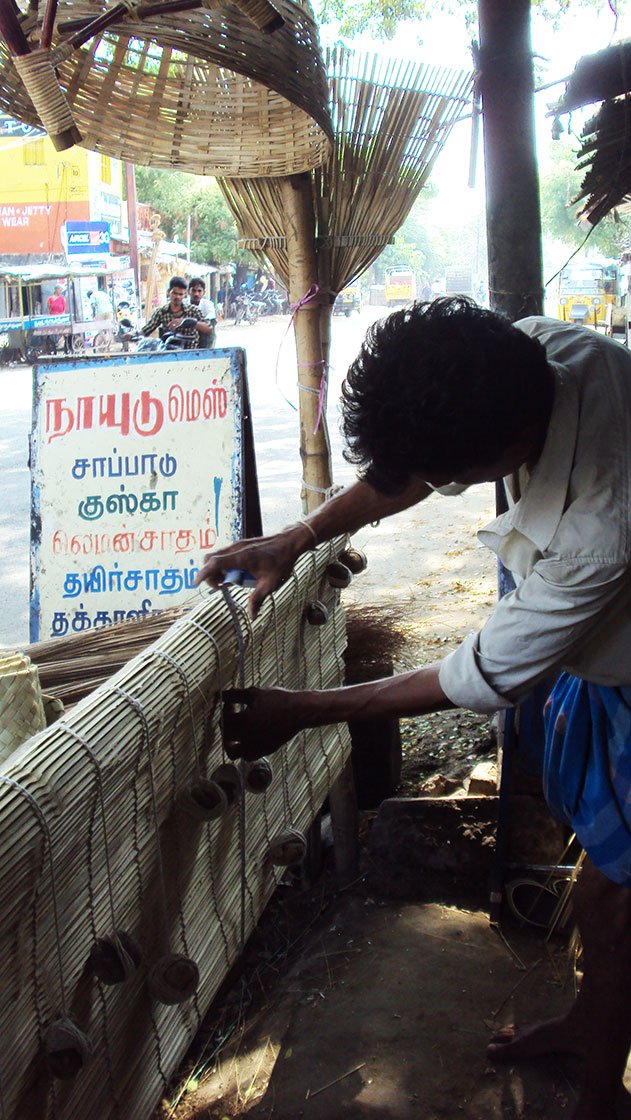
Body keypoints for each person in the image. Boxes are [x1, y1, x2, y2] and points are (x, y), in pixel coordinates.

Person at [197, 297, 631, 1120]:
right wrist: (299, 536)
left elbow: (482, 674)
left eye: (444, 478)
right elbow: (408, 471)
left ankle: (605, 1086)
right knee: (604, 872)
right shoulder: (532, 352)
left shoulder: (601, 528)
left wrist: (304, 708)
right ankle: (594, 1016)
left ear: (499, 454)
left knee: (615, 902)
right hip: (604, 660)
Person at [140, 276, 213, 349]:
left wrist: (187, 322)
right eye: (174, 293)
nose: (177, 297)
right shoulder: (161, 312)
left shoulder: (194, 311)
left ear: (185, 295)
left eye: (180, 294)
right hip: (170, 355)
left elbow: (208, 328)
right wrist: (132, 335)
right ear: (169, 292)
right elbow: (146, 329)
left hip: (192, 355)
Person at [187, 278, 217, 347]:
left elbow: (210, 319)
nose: (196, 294)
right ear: (188, 291)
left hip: (203, 334)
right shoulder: (184, 303)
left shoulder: (208, 304)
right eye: (193, 290)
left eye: (199, 291)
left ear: (204, 292)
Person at [46, 284, 70, 353]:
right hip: (53, 318)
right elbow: (49, 309)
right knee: (52, 332)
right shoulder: (50, 299)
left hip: (61, 318)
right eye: (59, 290)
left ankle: (64, 345)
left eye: (61, 290)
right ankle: (54, 345)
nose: (60, 291)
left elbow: (64, 310)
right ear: (56, 290)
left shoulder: (62, 299)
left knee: (64, 331)